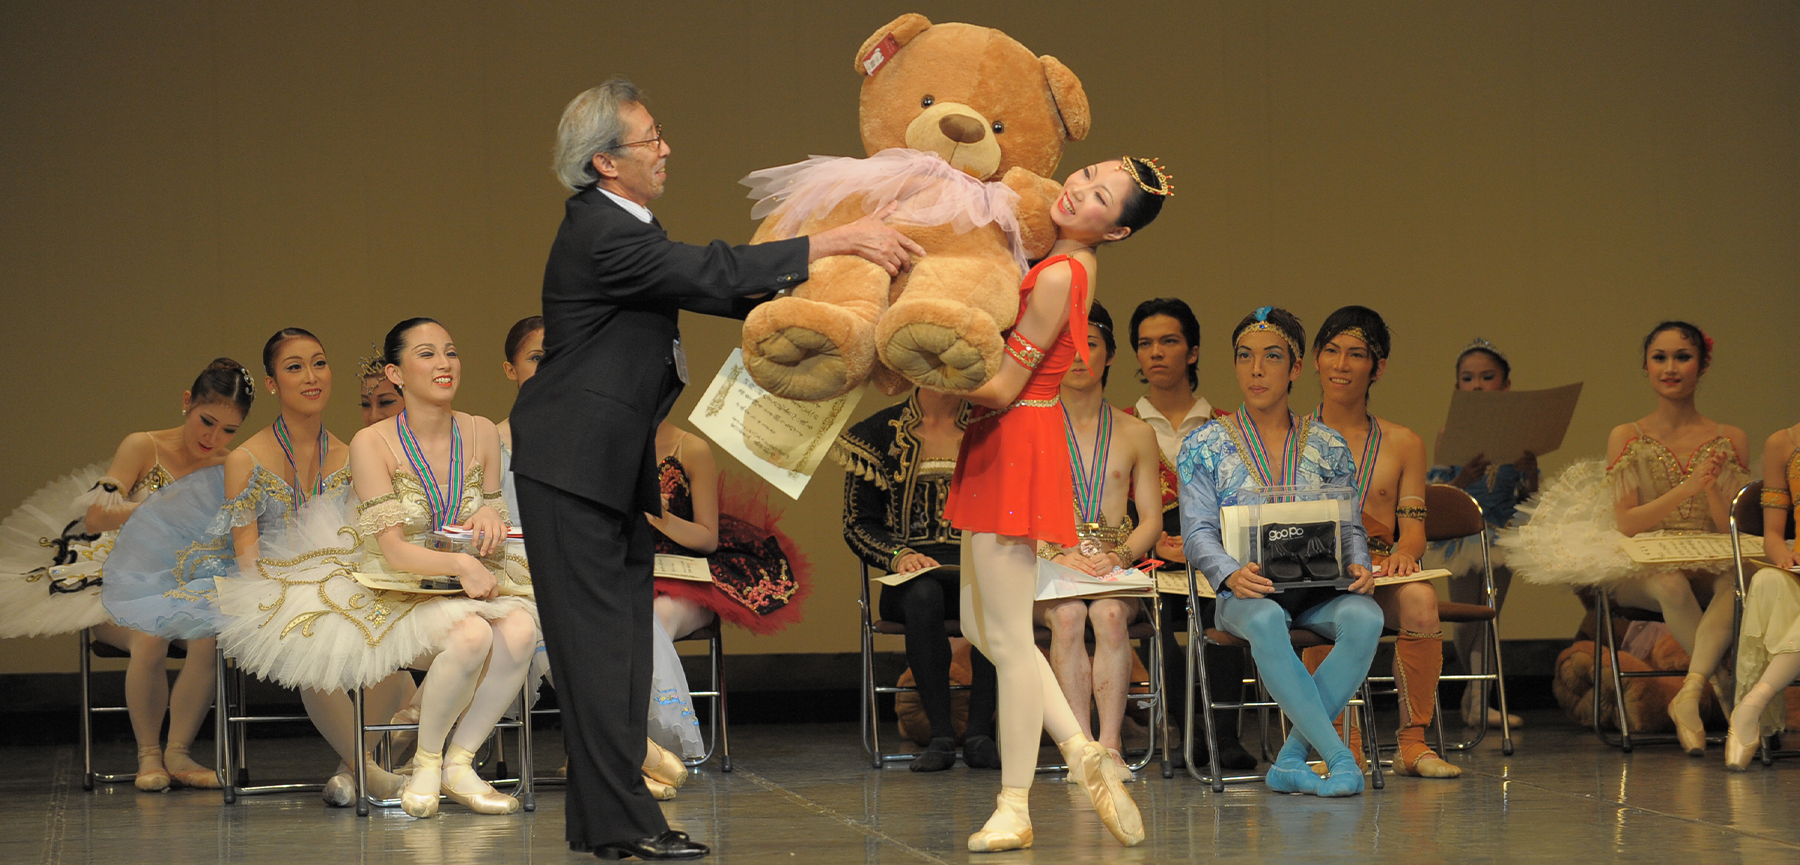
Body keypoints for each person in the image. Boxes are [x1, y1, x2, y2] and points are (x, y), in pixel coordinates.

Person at [509, 76, 923, 862]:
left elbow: (719, 288)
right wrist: (834, 243)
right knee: (599, 652)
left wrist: (831, 306)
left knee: (616, 649)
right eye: (650, 138)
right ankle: (625, 822)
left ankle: (608, 823)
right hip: (573, 466)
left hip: (599, 466)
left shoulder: (624, 225)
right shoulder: (601, 229)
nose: (666, 148)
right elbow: (709, 271)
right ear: (604, 162)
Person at [219, 318, 538, 818]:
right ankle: (424, 763)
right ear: (396, 373)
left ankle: (458, 762)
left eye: (450, 352)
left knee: (521, 630)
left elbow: (493, 506)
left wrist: (487, 517)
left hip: (463, 577)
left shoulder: (480, 430)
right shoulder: (372, 443)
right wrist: (459, 561)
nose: (443, 364)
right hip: (400, 583)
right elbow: (394, 551)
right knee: (473, 636)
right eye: (426, 354)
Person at [943, 156, 1169, 853]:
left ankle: (1014, 805)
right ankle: (1080, 748)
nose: (1077, 189)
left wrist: (922, 362)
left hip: (1015, 437)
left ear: (1117, 230)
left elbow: (1003, 385)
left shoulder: (1064, 272)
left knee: (1011, 641)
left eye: (1100, 196)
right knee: (982, 627)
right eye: (1087, 174)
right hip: (1004, 438)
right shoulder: (1063, 258)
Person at [1501, 321, 1748, 755]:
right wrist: (1686, 488)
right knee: (1671, 585)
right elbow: (1629, 524)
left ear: (1702, 365)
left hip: (1707, 553)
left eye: (1683, 357)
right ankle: (1728, 689)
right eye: (1660, 358)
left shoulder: (1729, 437)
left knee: (1736, 582)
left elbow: (1725, 523)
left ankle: (1691, 692)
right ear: (1646, 366)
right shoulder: (1629, 435)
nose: (1670, 368)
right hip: (1645, 557)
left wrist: (1710, 487)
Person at [1178, 306, 1382, 798]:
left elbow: (1349, 525)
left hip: (1317, 590)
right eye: (1244, 356)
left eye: (1271, 357)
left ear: (1295, 368)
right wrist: (1230, 574)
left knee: (1367, 617)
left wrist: (1359, 562)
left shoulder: (1329, 445)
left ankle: (1290, 759)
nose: (1256, 369)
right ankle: (1337, 757)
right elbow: (1196, 532)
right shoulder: (1204, 445)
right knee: (1268, 618)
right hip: (1245, 594)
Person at [208, 328, 415, 806]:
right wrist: (283, 595)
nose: (311, 376)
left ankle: (351, 773)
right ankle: (370, 772)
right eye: (294, 367)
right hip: (268, 585)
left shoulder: (351, 453)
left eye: (319, 363)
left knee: (391, 646)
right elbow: (247, 555)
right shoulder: (245, 459)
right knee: (304, 634)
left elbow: (362, 537)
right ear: (272, 383)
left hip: (341, 579)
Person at [1299, 306, 1458, 779]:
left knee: (1422, 601)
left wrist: (1406, 552)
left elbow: (1413, 526)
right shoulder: (1292, 436)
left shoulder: (1403, 442)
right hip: (1318, 570)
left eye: (1356, 354)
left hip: (1381, 567)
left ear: (1378, 367)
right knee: (1327, 597)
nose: (1341, 365)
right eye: (1331, 351)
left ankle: (1413, 744)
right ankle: (1338, 745)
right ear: (1315, 359)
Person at [87, 359, 253, 791]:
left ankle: (178, 752)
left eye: (228, 430)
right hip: (121, 583)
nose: (212, 438)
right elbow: (94, 517)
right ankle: (149, 756)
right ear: (187, 402)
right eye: (207, 421)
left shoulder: (229, 464)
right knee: (150, 635)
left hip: (186, 585)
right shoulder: (143, 446)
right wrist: (159, 512)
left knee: (208, 636)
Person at [835, 387, 1000, 771]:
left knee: (993, 596)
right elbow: (858, 523)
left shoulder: (992, 428)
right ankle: (940, 735)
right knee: (924, 596)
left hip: (976, 568)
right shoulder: (875, 433)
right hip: (909, 577)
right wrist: (899, 555)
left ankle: (980, 735)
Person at [1034, 301, 1161, 782]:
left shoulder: (1137, 432)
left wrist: (1119, 555)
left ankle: (1110, 746)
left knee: (1108, 614)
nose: (1076, 356)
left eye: (1088, 344)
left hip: (1114, 565)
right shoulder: (1032, 430)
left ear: (1109, 355)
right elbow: (1016, 513)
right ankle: (1079, 747)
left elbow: (1151, 519)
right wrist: (1056, 553)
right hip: (1052, 561)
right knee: (1067, 616)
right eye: (1064, 345)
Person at [1125, 296, 1254, 770]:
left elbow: (1247, 503)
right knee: (1155, 613)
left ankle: (1222, 732)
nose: (1156, 352)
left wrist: (1202, 547)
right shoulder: (1121, 426)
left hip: (1217, 552)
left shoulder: (1230, 427)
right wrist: (1152, 541)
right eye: (1145, 344)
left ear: (1193, 351)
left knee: (1226, 604)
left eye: (1169, 341)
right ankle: (1188, 729)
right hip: (1146, 554)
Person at [1424, 338, 1531, 729]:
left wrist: (1530, 472)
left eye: (1488, 377)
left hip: (1502, 533)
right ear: (1458, 387)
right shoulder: (1450, 433)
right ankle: (1473, 696)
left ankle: (1478, 701)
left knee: (1491, 615)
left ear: (1505, 385)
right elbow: (1439, 490)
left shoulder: (1519, 434)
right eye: (1468, 379)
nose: (1478, 385)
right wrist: (1463, 478)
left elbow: (1527, 494)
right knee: (1467, 617)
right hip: (1462, 538)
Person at [1727, 421, 1800, 769]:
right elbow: (1773, 534)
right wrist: (1784, 556)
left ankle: (1751, 706)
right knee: (1767, 582)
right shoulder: (1782, 443)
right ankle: (1752, 708)